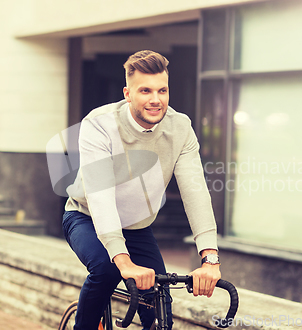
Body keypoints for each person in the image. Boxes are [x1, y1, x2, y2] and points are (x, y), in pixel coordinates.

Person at [62, 50, 220, 330]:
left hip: (137, 227)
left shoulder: (180, 128)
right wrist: (122, 260)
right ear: (127, 93)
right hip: (85, 216)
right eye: (145, 90)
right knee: (106, 269)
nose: (156, 99)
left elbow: (195, 192)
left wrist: (209, 258)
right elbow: (100, 197)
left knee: (160, 309)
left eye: (162, 90)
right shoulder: (98, 125)